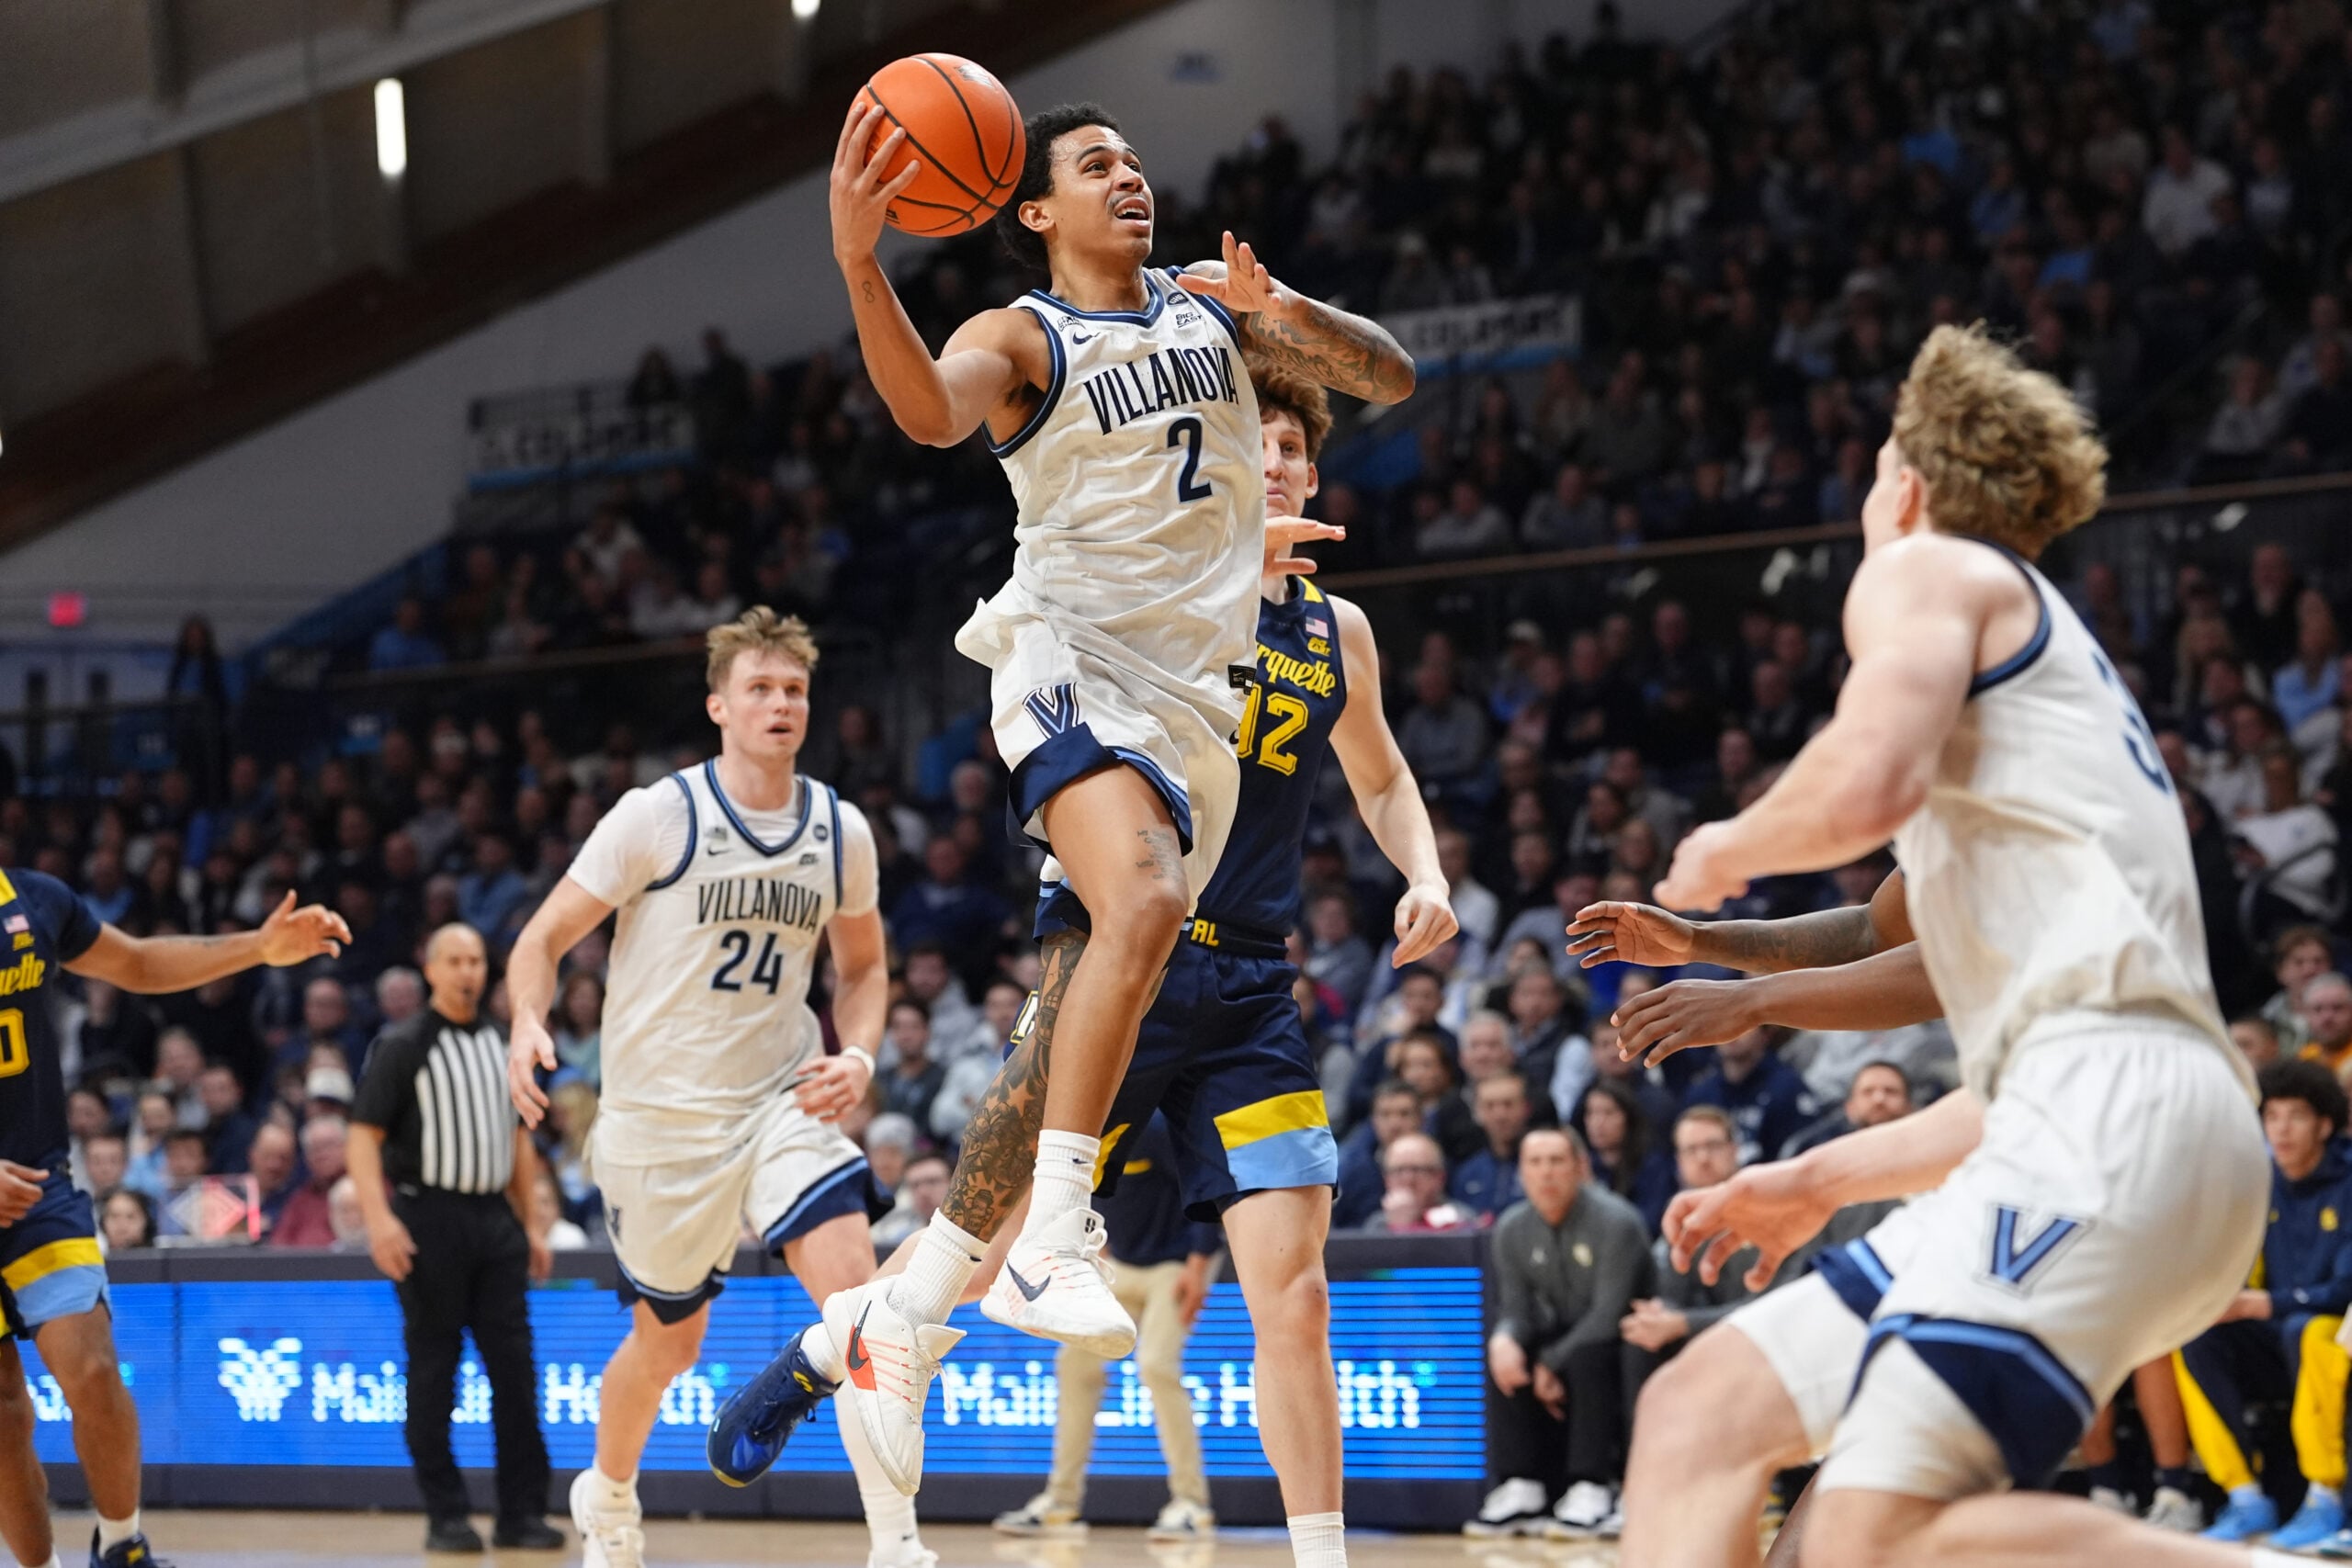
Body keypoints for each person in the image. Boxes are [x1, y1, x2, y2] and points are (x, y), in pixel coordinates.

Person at [718, 360, 1452, 1568]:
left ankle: (1323, 1556)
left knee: (1299, 1294)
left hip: (1252, 983)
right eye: (1245, 443)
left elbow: (1376, 773)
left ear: (1317, 474)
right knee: (986, 1252)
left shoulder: (1340, 629)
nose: (1269, 463)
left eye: (1290, 449)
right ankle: (833, 1344)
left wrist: (1422, 872)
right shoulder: (1153, 580)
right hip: (1119, 955)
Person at [815, 89, 1415, 1503]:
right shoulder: (1023, 336)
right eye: (1096, 166)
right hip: (1069, 662)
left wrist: (1295, 310)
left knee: (1121, 953)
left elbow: (1383, 377)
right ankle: (1049, 1243)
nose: (1130, 178)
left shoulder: (1218, 318)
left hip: (1197, 705)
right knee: (1138, 904)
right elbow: (921, 413)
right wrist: (858, 262)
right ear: (1033, 209)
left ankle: (902, 1319)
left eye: (1136, 161)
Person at [1603, 325, 2273, 1568]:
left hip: (2115, 1117)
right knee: (1701, 1413)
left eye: (1868, 478)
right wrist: (1814, 1174)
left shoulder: (1926, 570)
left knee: (1875, 1531)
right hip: (2099, 1118)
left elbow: (1866, 778)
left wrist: (1724, 841)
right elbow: (1903, 943)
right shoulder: (2035, 713)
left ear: (1903, 484)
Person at [503, 609, 918, 1568]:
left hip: (782, 1098)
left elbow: (862, 971)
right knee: (669, 1348)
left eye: (794, 691)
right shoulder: (658, 815)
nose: (780, 705)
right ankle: (606, 1495)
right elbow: (538, 940)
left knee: (859, 1302)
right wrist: (528, 1017)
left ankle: (896, 1543)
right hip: (659, 1125)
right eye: (761, 690)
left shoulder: (839, 830)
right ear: (718, 706)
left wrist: (856, 1054)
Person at [0, 875, 346, 1568]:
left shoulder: (32, 896)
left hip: (38, 1185)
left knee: (90, 1363)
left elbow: (136, 961)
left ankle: (123, 1545)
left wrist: (257, 946)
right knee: (5, 1416)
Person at [348, 924, 560, 1554]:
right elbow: (362, 1135)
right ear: (430, 967)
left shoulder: (503, 1042)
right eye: (455, 960)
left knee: (516, 1375)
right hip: (427, 1218)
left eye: (476, 960)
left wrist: (530, 1223)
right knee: (434, 1371)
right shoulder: (404, 1044)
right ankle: (446, 1514)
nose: (468, 970)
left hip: (495, 1222)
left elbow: (519, 1139)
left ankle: (522, 1513)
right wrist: (379, 1220)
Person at [992, 1117, 1220, 1542]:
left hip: (1176, 1265)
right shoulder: (1081, 1134)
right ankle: (1061, 1504)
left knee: (1155, 1364)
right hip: (1120, 1264)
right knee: (1074, 1364)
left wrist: (1199, 1265)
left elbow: (1206, 1190)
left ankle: (1192, 1505)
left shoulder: (1153, 1127)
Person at [2179, 1061, 2352, 1549]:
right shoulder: (2258, 1180)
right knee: (2194, 1334)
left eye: (2295, 1116)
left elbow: (2344, 1290)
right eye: (2272, 1116)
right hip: (2276, 1332)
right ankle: (2244, 1496)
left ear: (2323, 1124)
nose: (2281, 1128)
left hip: (2334, 1333)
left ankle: (2325, 1495)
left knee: (2311, 1328)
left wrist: (2262, 1304)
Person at [1466, 1127, 1650, 1540]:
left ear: (1580, 1167)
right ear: (1521, 1173)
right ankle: (1521, 1485)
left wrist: (1551, 1363)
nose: (1546, 1173)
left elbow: (1609, 1314)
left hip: (1621, 1341)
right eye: (1535, 1162)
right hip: (1565, 1338)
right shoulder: (1511, 1229)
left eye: (1556, 1161)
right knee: (1506, 1351)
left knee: (1591, 1353)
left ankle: (1593, 1484)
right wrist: (1505, 1338)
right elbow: (1516, 1309)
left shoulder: (1616, 1221)